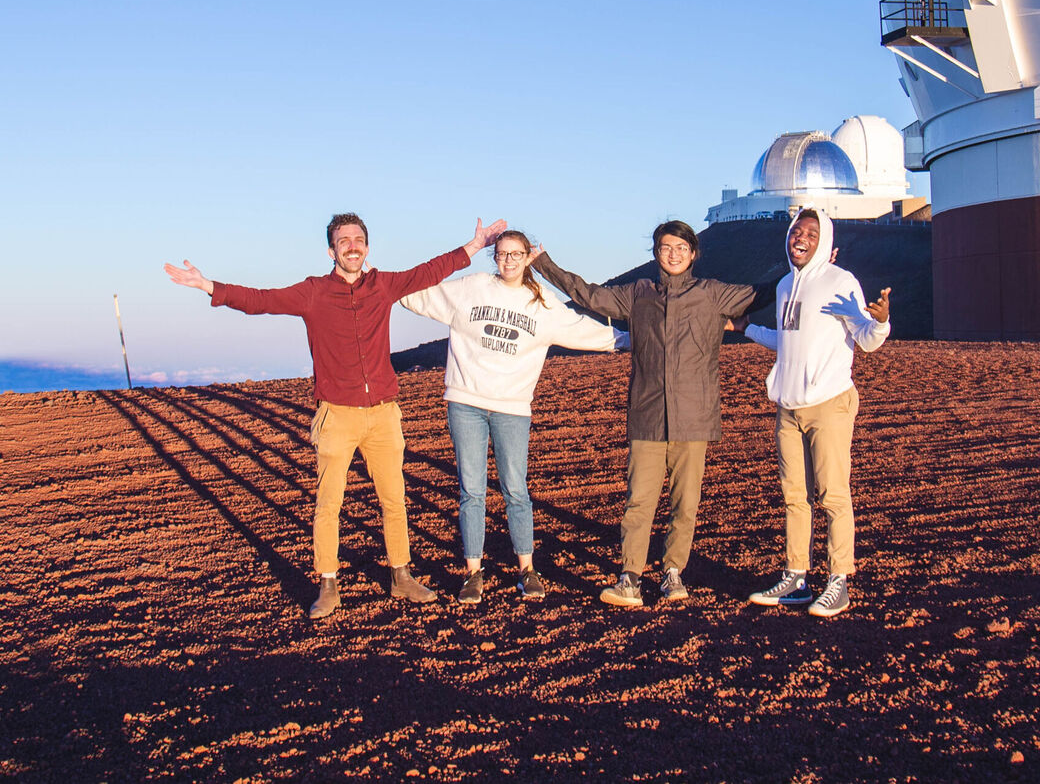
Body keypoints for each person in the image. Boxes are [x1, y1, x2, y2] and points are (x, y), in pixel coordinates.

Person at [164, 213, 506, 619]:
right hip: (336, 416)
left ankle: (401, 575)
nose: (352, 245)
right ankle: (328, 584)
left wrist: (477, 244)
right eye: (344, 240)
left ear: (367, 246)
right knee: (329, 504)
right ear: (331, 250)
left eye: (358, 239)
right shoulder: (312, 293)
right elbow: (260, 300)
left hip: (383, 414)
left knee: (394, 500)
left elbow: (430, 271)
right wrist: (208, 286)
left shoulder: (383, 285)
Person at [529, 221, 762, 607]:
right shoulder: (638, 294)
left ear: (693, 253)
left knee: (685, 503)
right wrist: (543, 264)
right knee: (639, 500)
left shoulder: (713, 294)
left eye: (681, 247)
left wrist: (805, 269)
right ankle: (630, 576)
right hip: (648, 413)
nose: (673, 253)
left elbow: (762, 294)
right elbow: (589, 295)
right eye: (666, 247)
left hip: (694, 416)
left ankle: (673, 573)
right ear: (656, 253)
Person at [399, 230, 625, 604]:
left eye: (516, 254)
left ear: (526, 258)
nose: (508, 261)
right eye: (502, 254)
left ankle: (527, 569)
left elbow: (582, 330)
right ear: (495, 257)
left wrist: (635, 340)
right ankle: (473, 573)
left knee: (516, 491)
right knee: (471, 492)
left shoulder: (542, 304)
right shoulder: (470, 288)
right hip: (465, 403)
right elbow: (421, 295)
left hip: (512, 409)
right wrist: (379, 284)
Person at [727, 208, 890, 618]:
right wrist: (746, 328)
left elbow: (866, 339)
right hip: (788, 406)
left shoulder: (840, 282)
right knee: (794, 497)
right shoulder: (785, 285)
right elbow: (788, 340)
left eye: (812, 233)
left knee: (833, 494)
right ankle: (796, 576)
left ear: (825, 241)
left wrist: (882, 323)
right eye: (797, 230)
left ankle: (839, 581)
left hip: (829, 403)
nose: (801, 237)